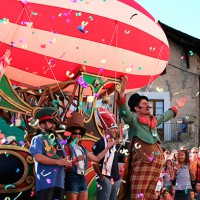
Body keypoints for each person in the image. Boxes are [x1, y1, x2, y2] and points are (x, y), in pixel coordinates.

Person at [116, 76, 188, 200]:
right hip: (142, 160)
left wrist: (177, 106)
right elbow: (123, 111)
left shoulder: (153, 120)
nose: (148, 104)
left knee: (149, 196)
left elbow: (166, 116)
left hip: (156, 162)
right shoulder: (133, 119)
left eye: (147, 102)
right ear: (136, 108)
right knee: (138, 195)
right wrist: (122, 93)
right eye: (144, 103)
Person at [64, 112, 117, 200]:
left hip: (82, 179)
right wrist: (76, 160)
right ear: (70, 134)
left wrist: (107, 147)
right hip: (72, 179)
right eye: (75, 133)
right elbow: (66, 166)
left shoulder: (82, 149)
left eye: (79, 133)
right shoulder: (67, 148)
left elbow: (97, 158)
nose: (78, 135)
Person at [29, 107, 72, 200]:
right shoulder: (37, 139)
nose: (53, 125)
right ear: (42, 125)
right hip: (45, 183)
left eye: (53, 123)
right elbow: (38, 157)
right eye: (50, 122)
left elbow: (63, 158)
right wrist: (58, 162)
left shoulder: (57, 139)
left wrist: (67, 162)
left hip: (59, 182)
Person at [92, 107, 121, 200]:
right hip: (105, 178)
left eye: (116, 128)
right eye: (113, 128)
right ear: (107, 130)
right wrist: (102, 177)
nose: (116, 131)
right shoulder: (99, 143)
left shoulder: (114, 143)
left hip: (116, 179)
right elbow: (94, 162)